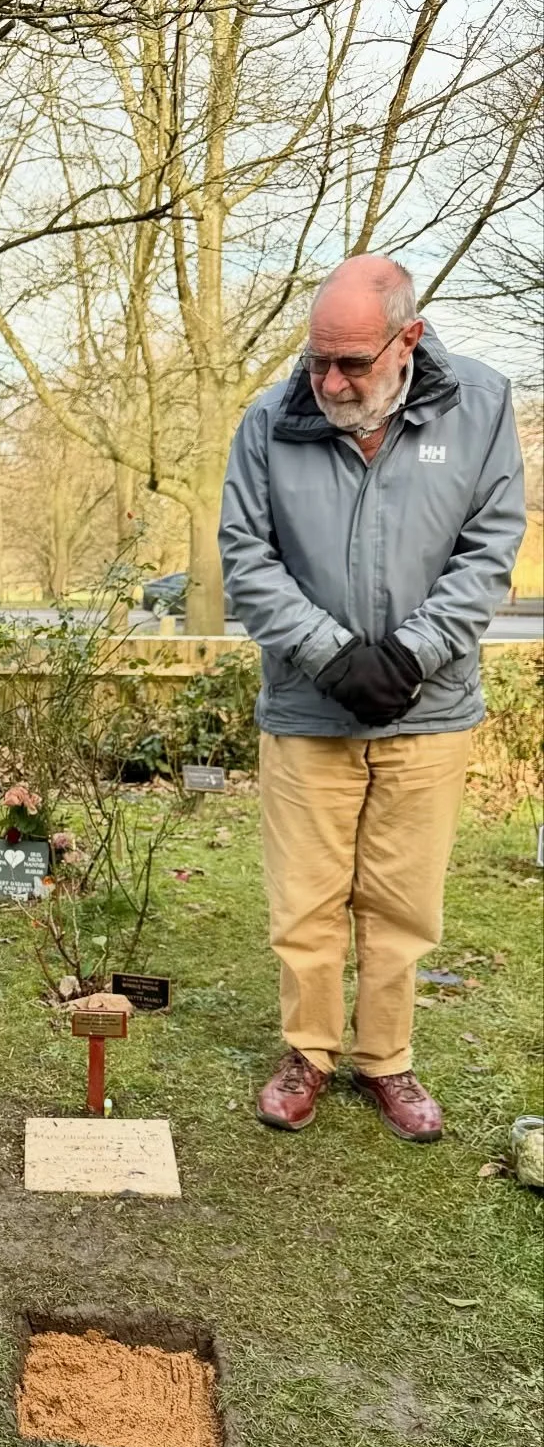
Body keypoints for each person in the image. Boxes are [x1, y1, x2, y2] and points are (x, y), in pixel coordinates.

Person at [220, 254, 525, 1143]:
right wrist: (330, 655)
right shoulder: (270, 420)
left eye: (352, 362)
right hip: (309, 710)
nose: (330, 381)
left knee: (400, 901)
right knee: (306, 899)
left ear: (410, 339)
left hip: (428, 712)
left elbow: (489, 549)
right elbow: (246, 556)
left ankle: (386, 1059)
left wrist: (411, 654)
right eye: (319, 359)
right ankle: (308, 1053)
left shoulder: (480, 406)